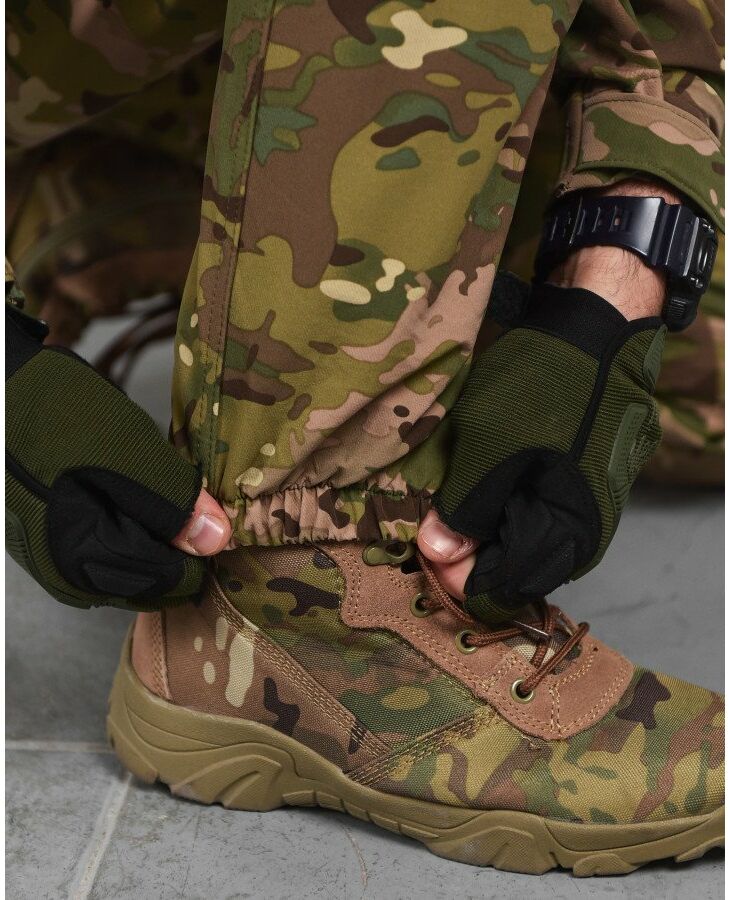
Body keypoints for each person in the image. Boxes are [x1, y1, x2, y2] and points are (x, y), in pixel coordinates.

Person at [6, 0, 724, 875]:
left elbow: (660, 23)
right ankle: (299, 579)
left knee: (710, 385)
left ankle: (179, 245)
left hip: (410, 105)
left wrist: (606, 303)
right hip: (61, 69)